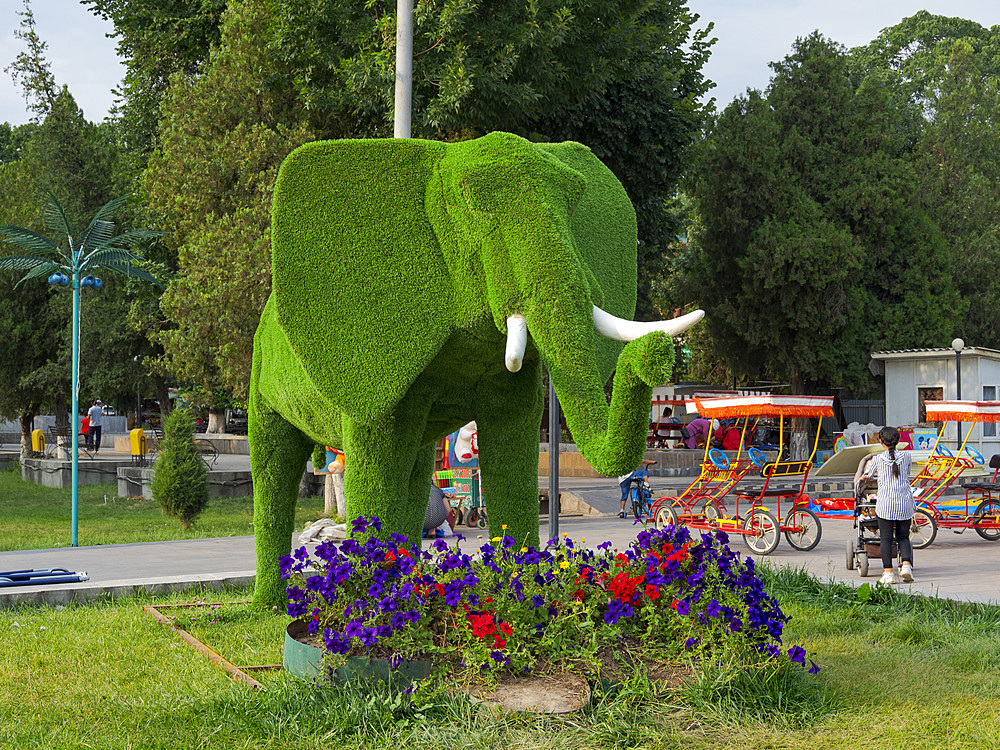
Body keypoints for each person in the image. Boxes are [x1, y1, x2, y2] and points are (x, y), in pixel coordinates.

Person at [862, 425, 916, 585]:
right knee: (903, 537)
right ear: (898, 440)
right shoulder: (906, 456)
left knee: (886, 539)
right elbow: (907, 473)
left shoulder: (877, 459)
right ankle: (906, 566)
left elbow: (868, 474)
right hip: (905, 503)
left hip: (886, 505)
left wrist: (862, 479)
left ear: (880, 441)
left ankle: (888, 573)